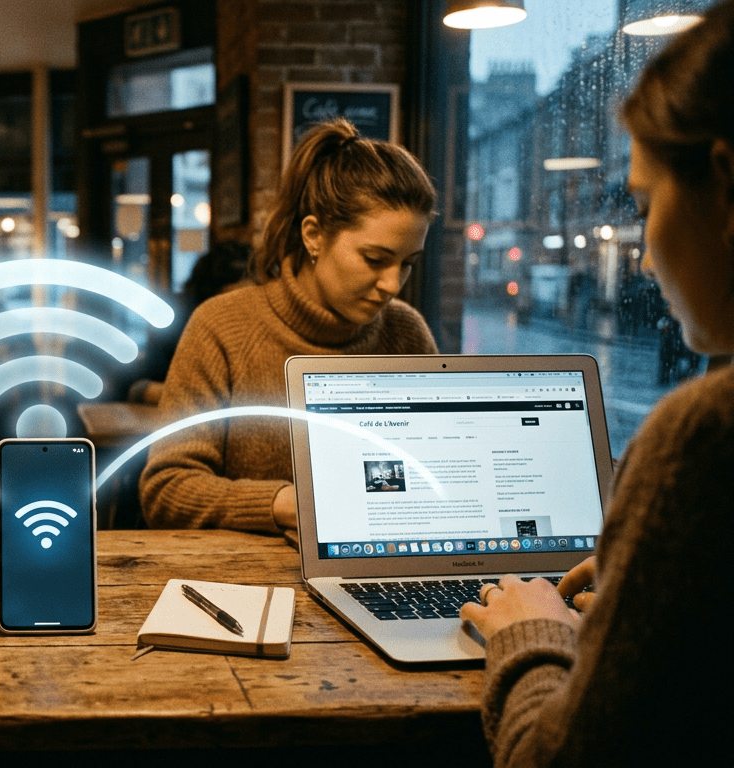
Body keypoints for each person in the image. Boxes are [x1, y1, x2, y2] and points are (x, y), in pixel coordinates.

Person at [459, 6, 734, 765]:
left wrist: (529, 632)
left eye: (646, 207)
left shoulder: (705, 434)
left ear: (723, 184)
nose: (644, 255)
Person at [140, 118, 439, 534]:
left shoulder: (406, 335)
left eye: (407, 264)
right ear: (314, 235)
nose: (392, 285)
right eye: (375, 259)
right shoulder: (223, 327)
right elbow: (166, 488)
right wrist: (283, 503)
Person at [127, 240, 252, 405]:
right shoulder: (176, 325)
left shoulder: (261, 332)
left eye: (250, 300)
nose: (242, 311)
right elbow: (138, 389)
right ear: (207, 299)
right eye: (231, 301)